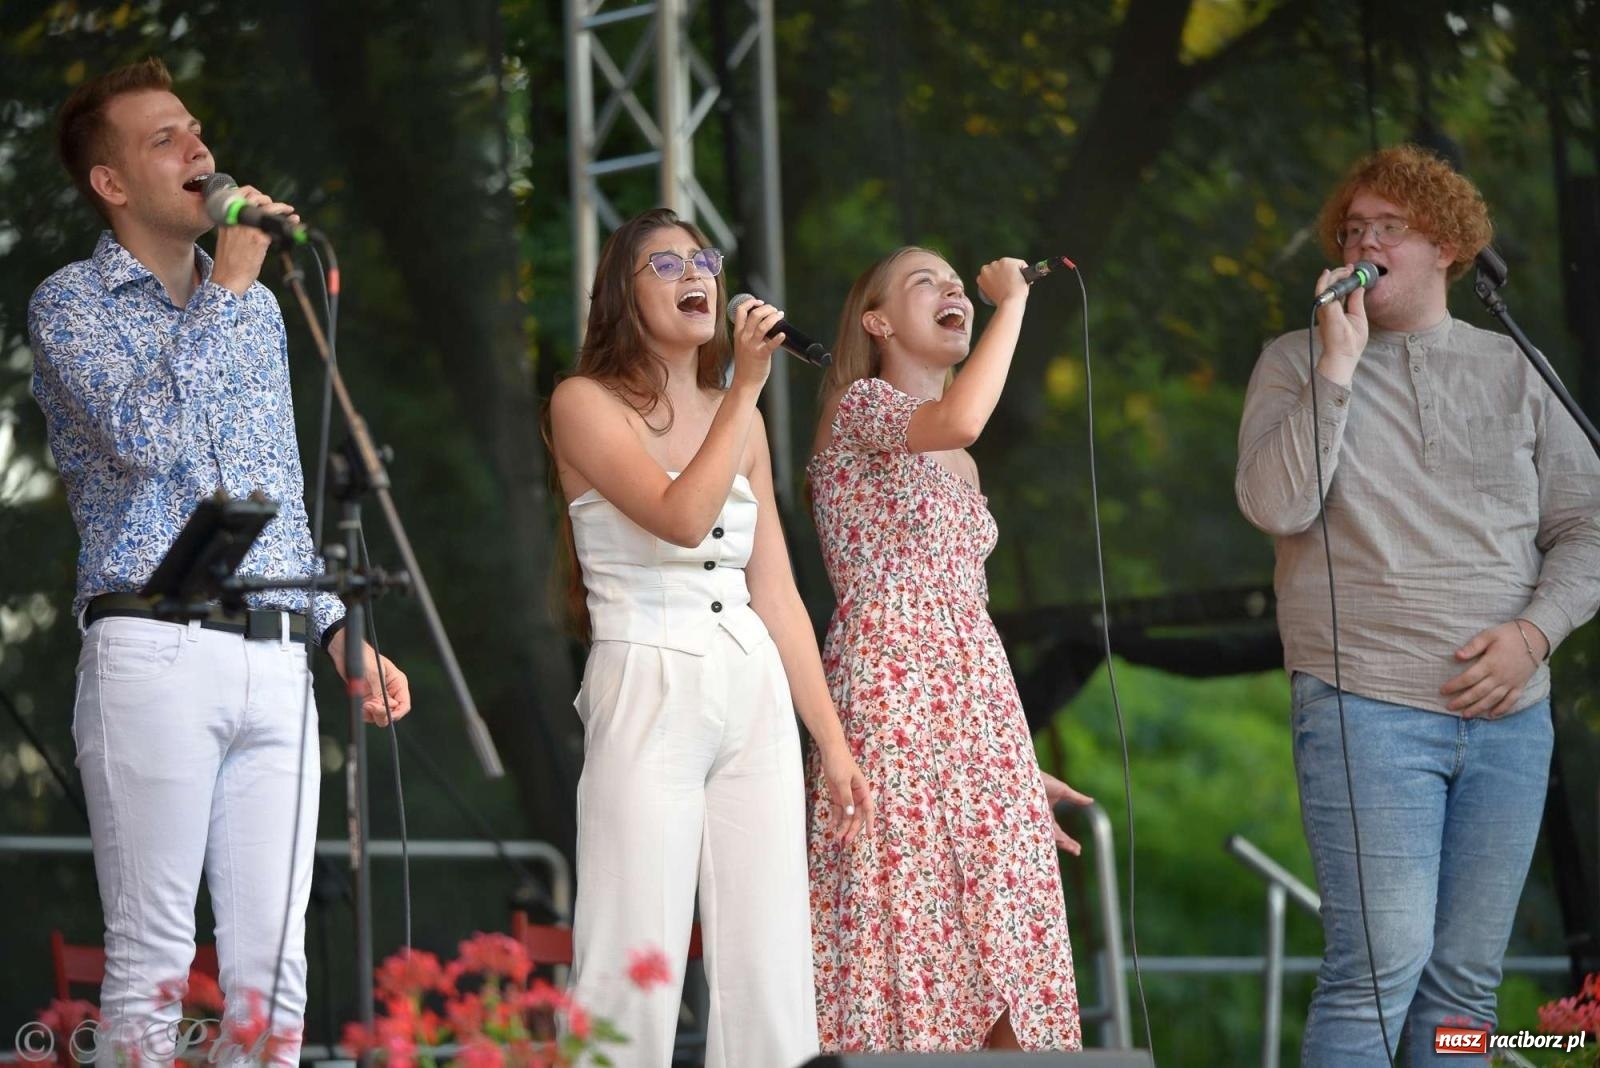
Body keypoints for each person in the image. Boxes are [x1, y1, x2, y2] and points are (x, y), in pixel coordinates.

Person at [28, 58, 411, 1061]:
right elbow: (140, 438)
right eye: (165, 139)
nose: (198, 149)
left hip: (277, 652)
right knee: (153, 956)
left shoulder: (259, 311)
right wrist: (230, 287)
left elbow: (272, 488)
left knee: (274, 965)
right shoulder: (72, 303)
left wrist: (338, 631)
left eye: (195, 130)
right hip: (153, 650)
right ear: (111, 184)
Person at [1235, 144, 1600, 1065]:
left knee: (1465, 986)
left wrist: (1534, 632)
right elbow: (1275, 506)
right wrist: (1338, 367)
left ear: (1443, 244)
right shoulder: (1293, 364)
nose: (1361, 241)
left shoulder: (1517, 366)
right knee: (1375, 972)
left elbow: (1591, 527)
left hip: (1511, 718)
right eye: (1350, 229)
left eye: (1383, 228)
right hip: (1366, 707)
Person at [545, 207, 873, 1068]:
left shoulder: (743, 419)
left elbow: (777, 591)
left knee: (769, 956)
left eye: (704, 258)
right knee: (631, 952)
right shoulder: (583, 402)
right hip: (648, 670)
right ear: (621, 292)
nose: (696, 274)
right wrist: (744, 389)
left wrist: (831, 742)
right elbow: (682, 519)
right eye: (664, 264)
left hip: (750, 683)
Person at [805, 246, 1087, 1051]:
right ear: (878, 322)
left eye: (957, 282)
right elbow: (962, 413)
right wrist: (1014, 307)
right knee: (918, 933)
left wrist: (1006, 761)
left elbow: (963, 611)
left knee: (1008, 957)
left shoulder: (960, 464)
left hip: (974, 713)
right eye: (925, 282)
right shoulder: (857, 407)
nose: (953, 288)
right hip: (890, 697)